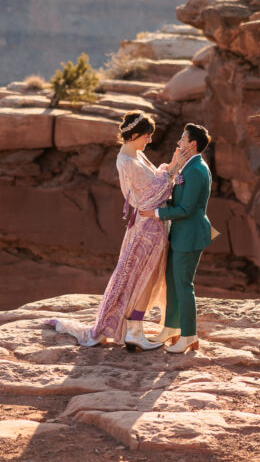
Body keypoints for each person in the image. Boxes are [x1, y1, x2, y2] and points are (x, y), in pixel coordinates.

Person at [46, 110, 187, 349]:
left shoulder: (136, 155)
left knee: (145, 277)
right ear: (133, 135)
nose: (149, 140)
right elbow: (151, 195)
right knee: (142, 277)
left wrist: (169, 171)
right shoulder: (127, 161)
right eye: (146, 136)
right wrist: (174, 168)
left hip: (151, 225)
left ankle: (135, 330)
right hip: (148, 229)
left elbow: (154, 182)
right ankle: (134, 332)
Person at [140, 123, 213, 354]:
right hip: (180, 234)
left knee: (183, 285)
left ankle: (189, 335)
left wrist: (157, 213)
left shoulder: (197, 170)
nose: (178, 143)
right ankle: (171, 327)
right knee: (172, 280)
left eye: (182, 139)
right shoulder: (188, 167)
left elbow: (187, 209)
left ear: (192, 144)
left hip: (190, 236)